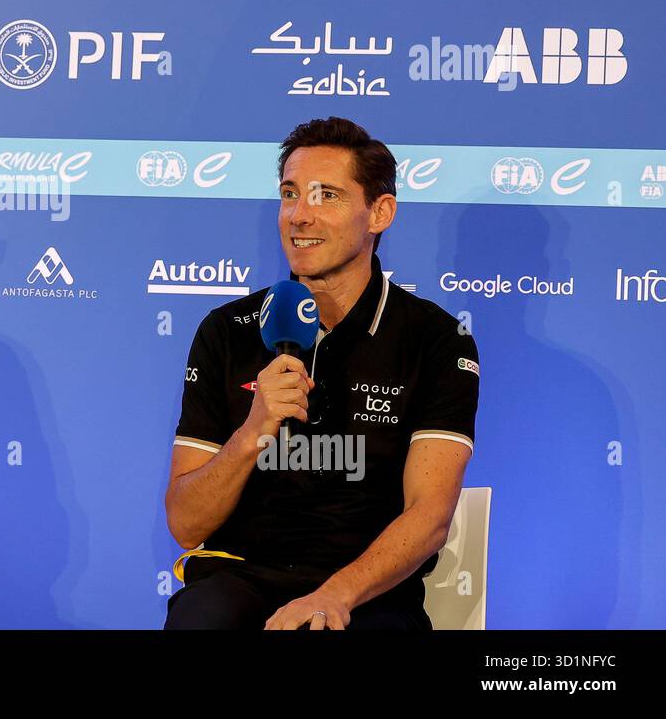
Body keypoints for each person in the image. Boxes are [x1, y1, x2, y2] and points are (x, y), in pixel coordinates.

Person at [164, 117, 479, 630]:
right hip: (239, 577)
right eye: (290, 194)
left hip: (367, 590)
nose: (299, 216)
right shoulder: (227, 330)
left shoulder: (437, 339)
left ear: (380, 212)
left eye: (325, 195)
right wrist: (251, 433)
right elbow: (185, 522)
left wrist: (335, 595)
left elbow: (429, 517)